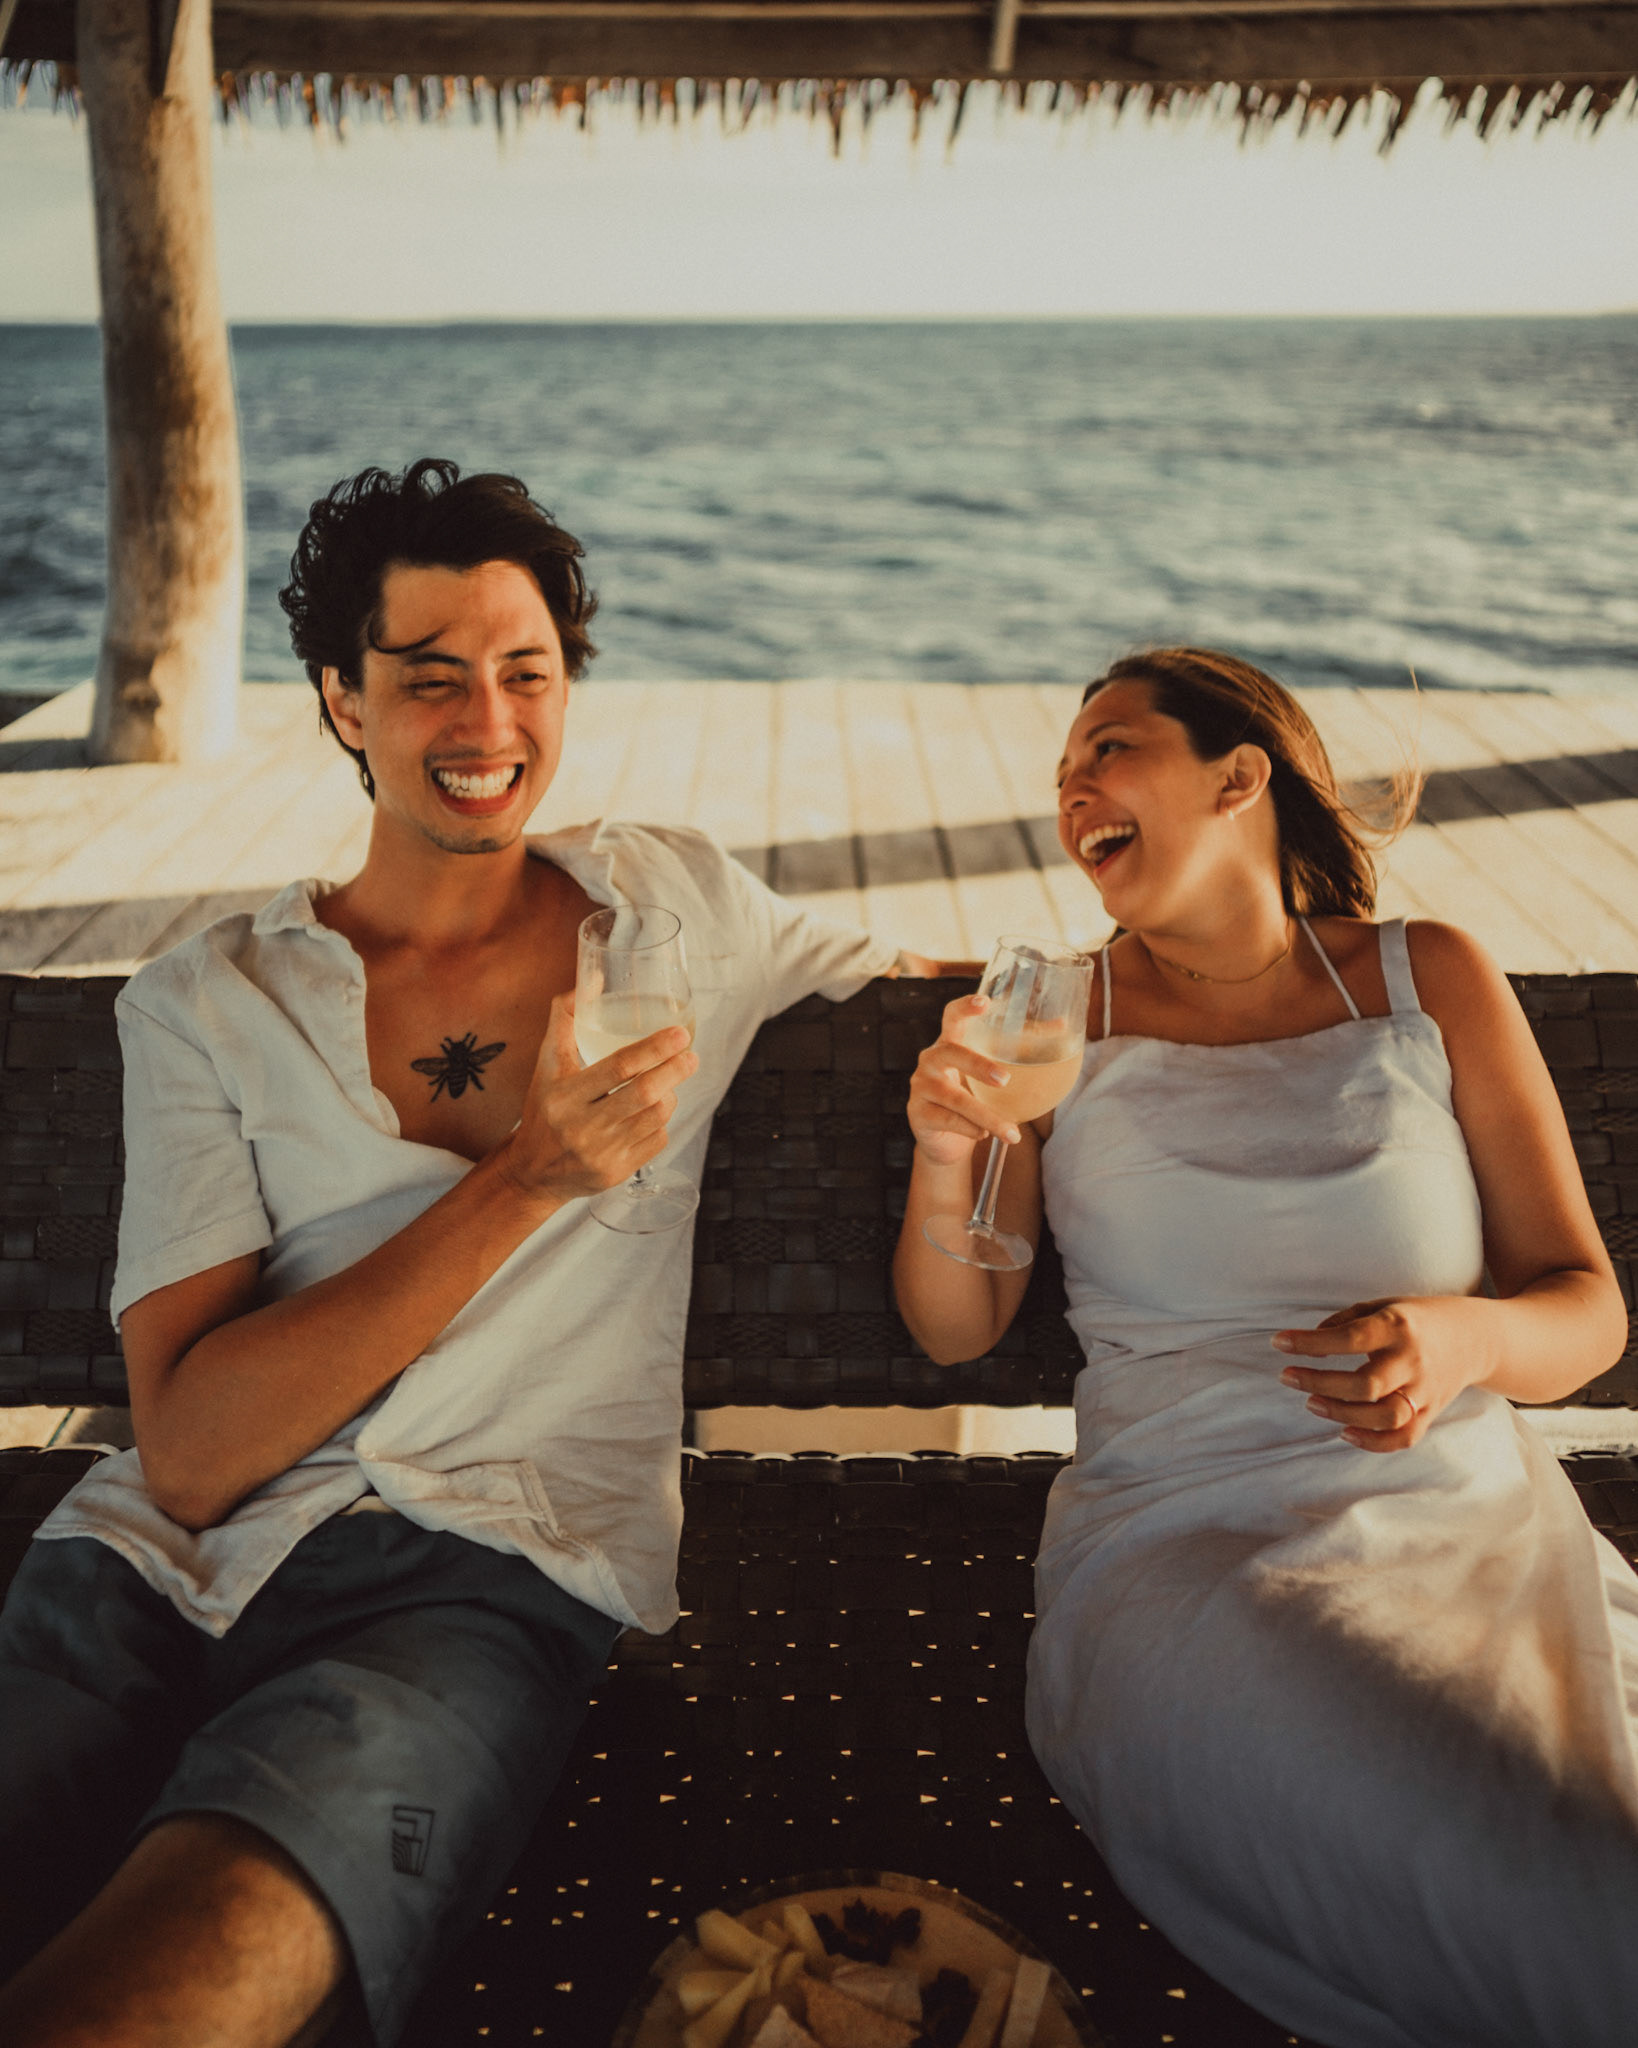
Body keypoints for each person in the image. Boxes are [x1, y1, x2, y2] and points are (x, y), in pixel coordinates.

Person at [0, 459, 928, 2048]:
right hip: (145, 1571)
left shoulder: (682, 910)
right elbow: (199, 1451)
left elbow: (985, 990)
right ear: (343, 702)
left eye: (525, 674)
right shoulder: (209, 999)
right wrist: (525, 1181)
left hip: (483, 1583)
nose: (486, 723)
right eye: (429, 680)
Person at [893, 647, 1638, 2048]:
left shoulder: (1429, 978)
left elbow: (1583, 1305)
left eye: (1106, 750)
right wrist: (949, 1156)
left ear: (1239, 777)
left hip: (1465, 1534)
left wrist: (1464, 1335)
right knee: (1532, 1880)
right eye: (1062, 773)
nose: (1071, 791)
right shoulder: (1053, 1010)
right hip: (1184, 1550)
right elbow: (956, 1324)